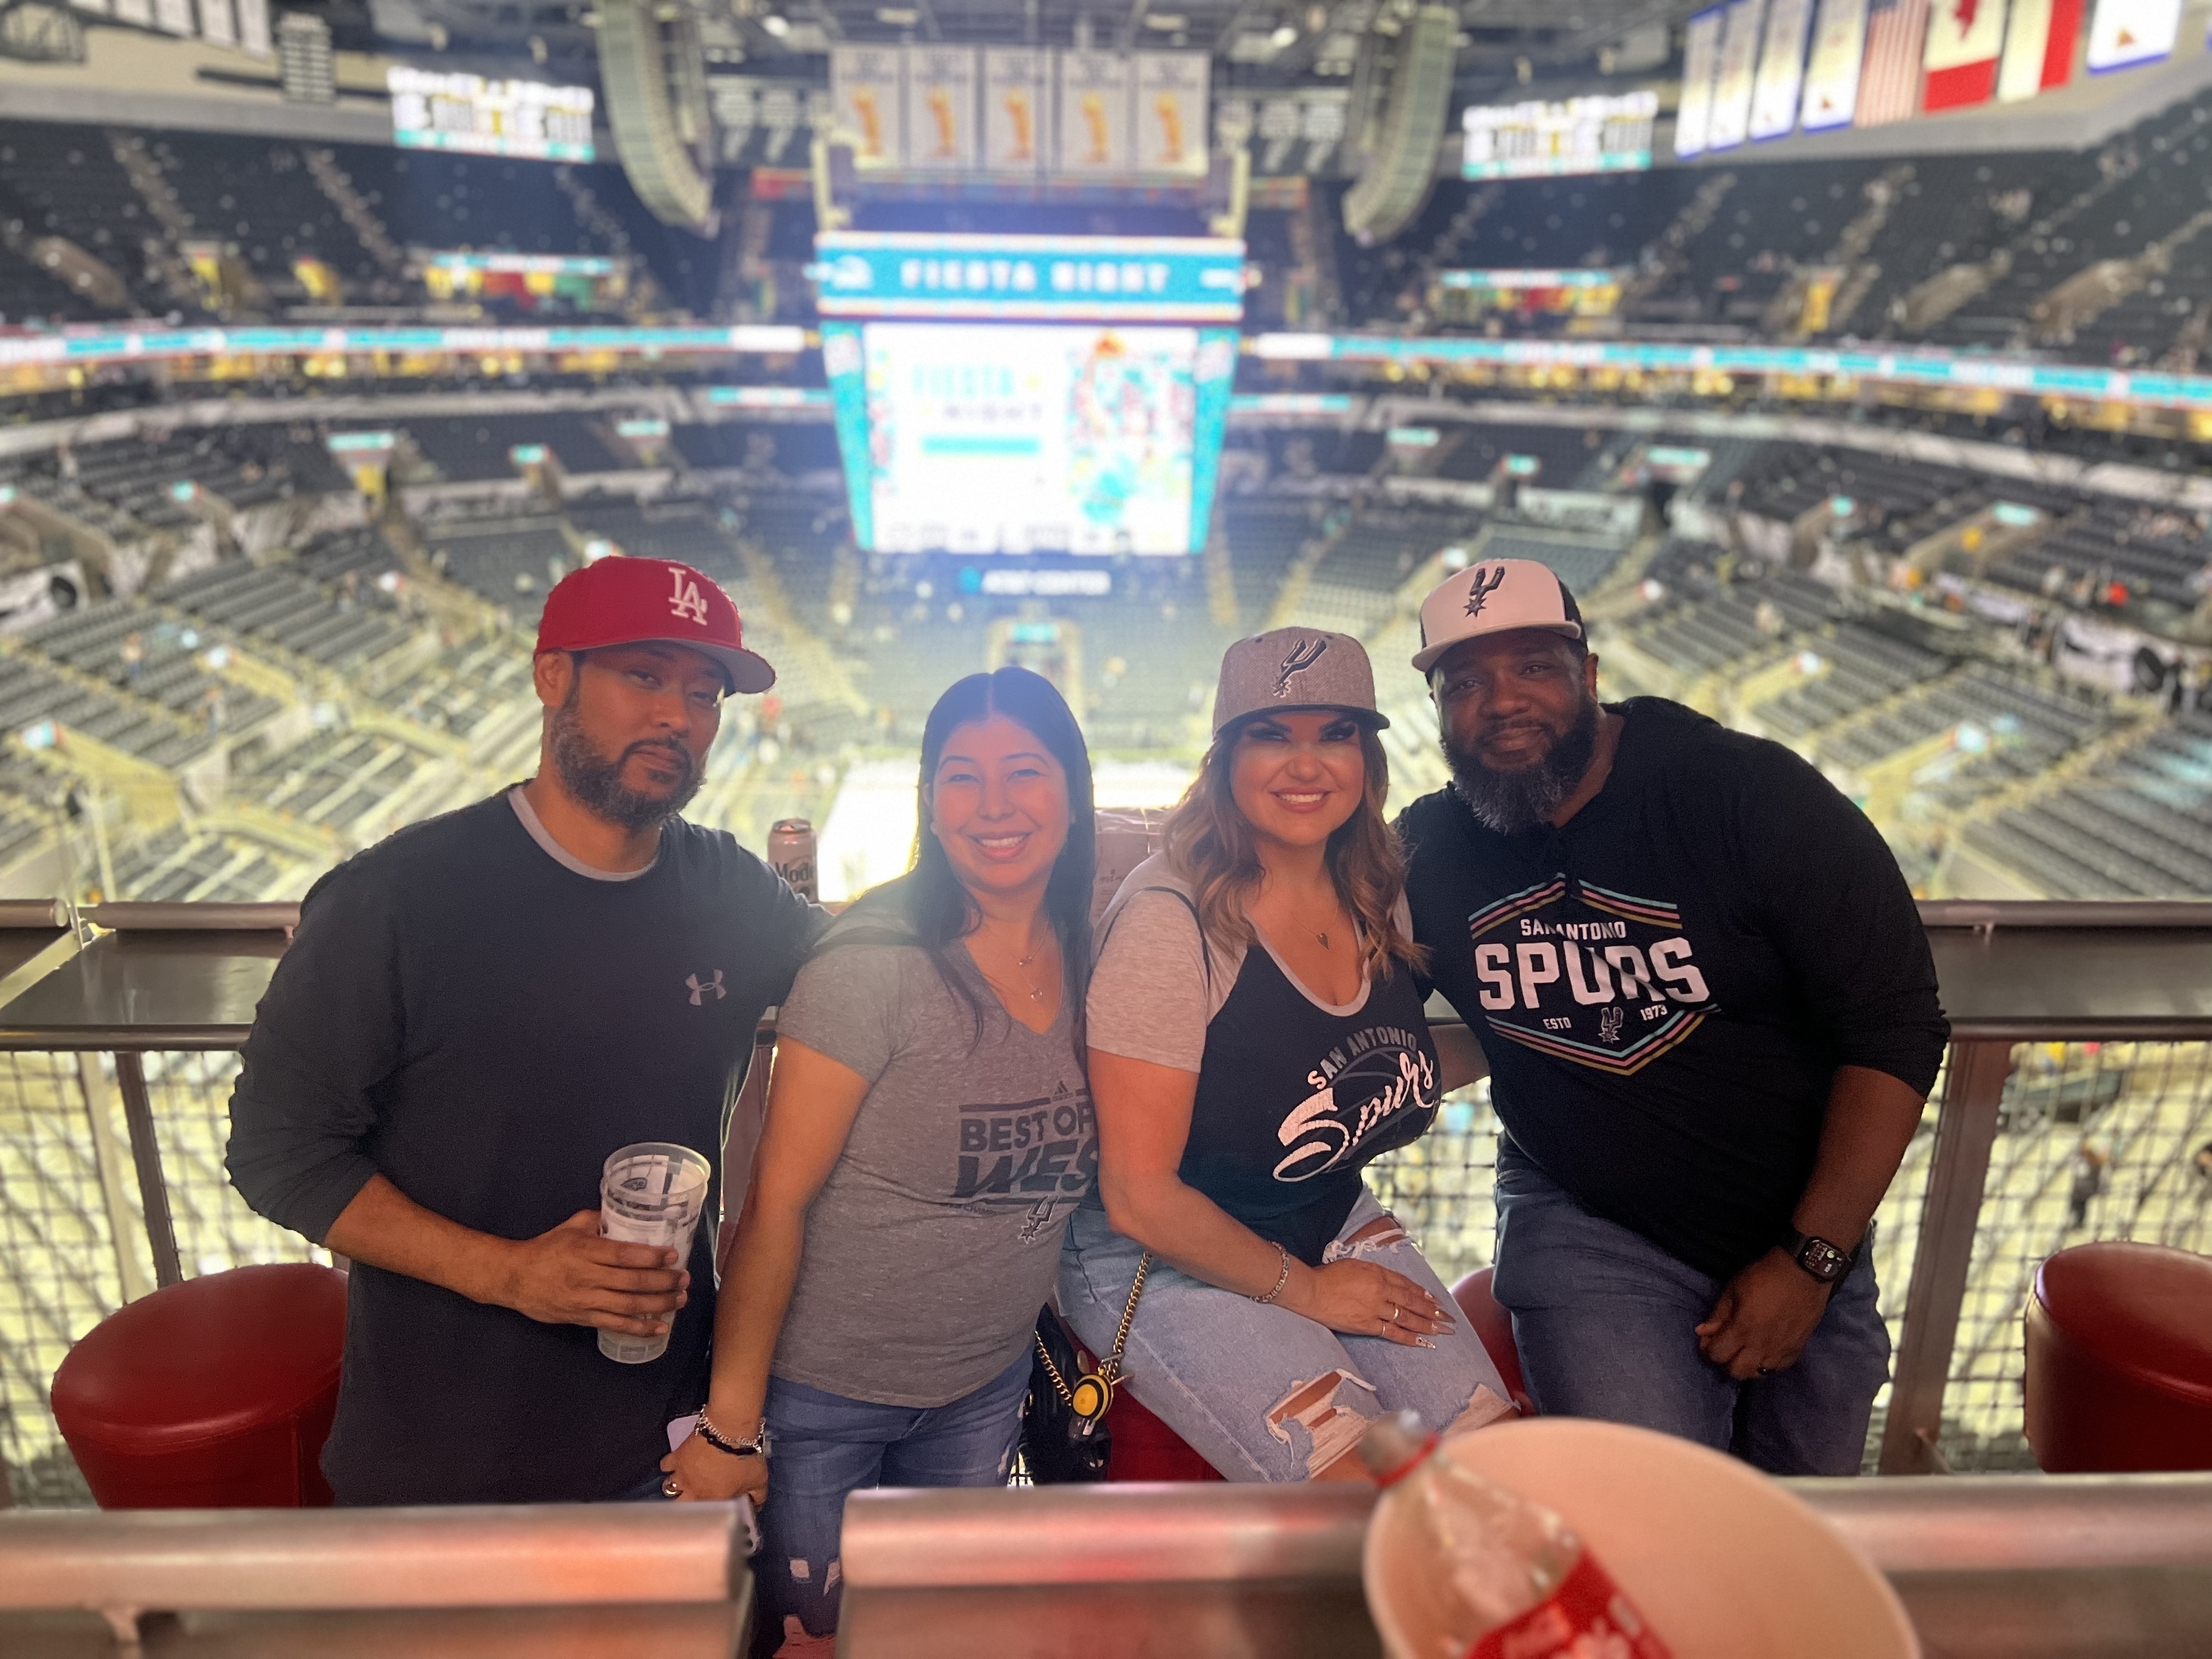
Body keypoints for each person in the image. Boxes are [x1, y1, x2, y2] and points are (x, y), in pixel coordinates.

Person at [227, 555, 822, 1505]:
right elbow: (277, 1152)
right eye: (643, 676)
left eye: (704, 693)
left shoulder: (732, 891)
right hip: (444, 1466)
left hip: (669, 1449)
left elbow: (864, 968)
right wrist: (509, 1274)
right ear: (553, 676)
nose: (678, 716)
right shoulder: (397, 900)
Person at [1397, 557, 1950, 1477]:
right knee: (1653, 1509)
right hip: (1586, 1216)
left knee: (1803, 1516)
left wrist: (1811, 1260)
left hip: (1796, 1212)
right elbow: (1329, 1004)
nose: (1501, 702)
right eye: (1464, 684)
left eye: (1533, 666)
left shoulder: (1747, 795)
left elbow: (1894, 1024)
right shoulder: (1428, 849)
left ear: (1590, 673)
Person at [664, 667, 1096, 1654]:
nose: (993, 804)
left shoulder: (1091, 950)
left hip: (984, 1386)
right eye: (962, 777)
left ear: (1074, 794)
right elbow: (775, 1205)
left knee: (935, 1637)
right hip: (824, 1400)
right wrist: (732, 1426)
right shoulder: (873, 966)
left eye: (1026, 772)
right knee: (821, 1644)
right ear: (929, 804)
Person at [1064, 627, 1514, 1485]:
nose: (1306, 765)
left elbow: (1346, 1059)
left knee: (1492, 1465)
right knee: (1367, 1496)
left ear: (1367, 758)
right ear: (1226, 758)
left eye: (1335, 734)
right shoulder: (1171, 921)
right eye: (1272, 735)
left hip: (1323, 1208)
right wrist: (1308, 1294)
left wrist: (1530, 1048)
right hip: (1164, 1251)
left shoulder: (1377, 891)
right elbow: (1139, 1195)